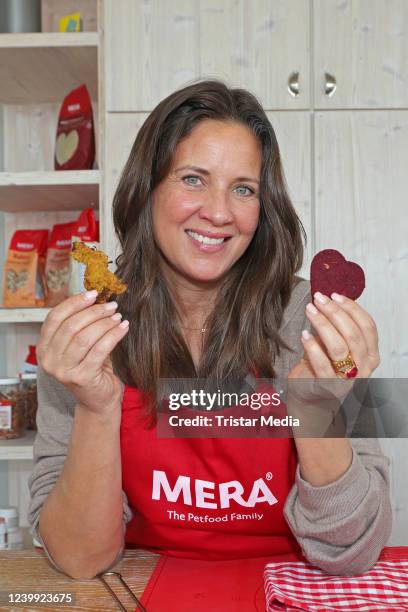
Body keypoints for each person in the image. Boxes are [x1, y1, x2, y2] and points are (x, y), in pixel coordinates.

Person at [28, 79, 392, 581]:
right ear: (146, 188)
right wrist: (94, 407)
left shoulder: (317, 321)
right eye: (194, 179)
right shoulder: (86, 336)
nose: (219, 213)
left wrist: (315, 408)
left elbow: (354, 551)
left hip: (287, 587)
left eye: (243, 189)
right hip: (143, 587)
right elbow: (79, 559)